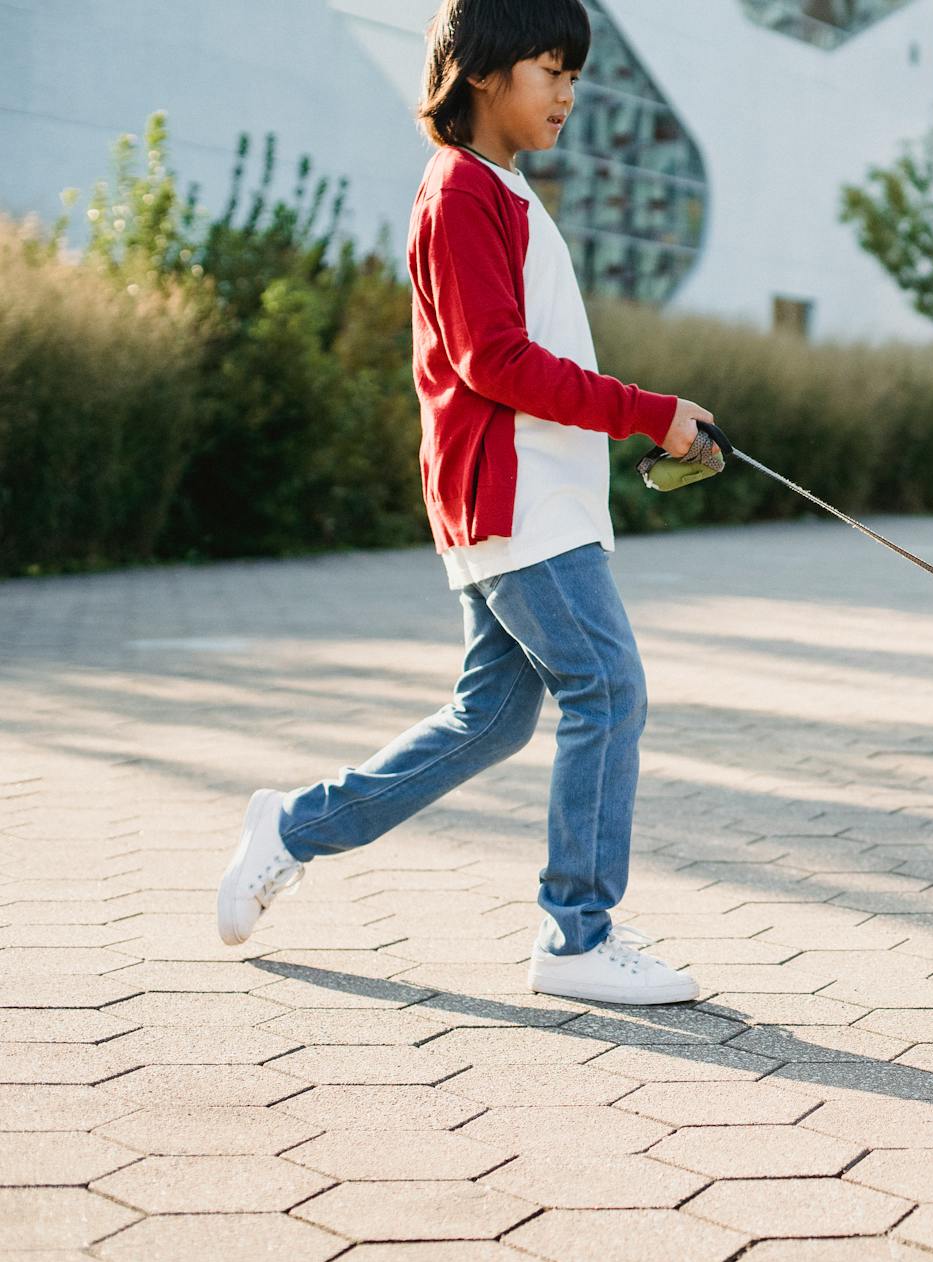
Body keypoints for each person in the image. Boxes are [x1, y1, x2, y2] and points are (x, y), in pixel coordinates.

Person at [216, 0, 709, 1006]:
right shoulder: (461, 192)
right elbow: (497, 361)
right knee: (608, 691)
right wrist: (651, 412)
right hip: (515, 501)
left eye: (575, 74)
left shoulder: (503, 190)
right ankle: (578, 933)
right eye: (552, 69)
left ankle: (291, 829)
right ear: (486, 70)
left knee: (490, 719)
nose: (569, 93)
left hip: (523, 500)